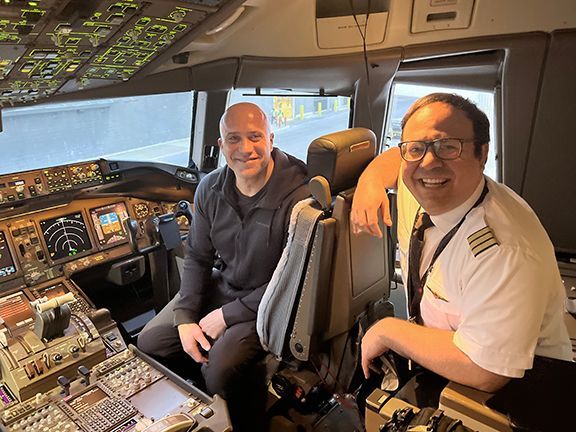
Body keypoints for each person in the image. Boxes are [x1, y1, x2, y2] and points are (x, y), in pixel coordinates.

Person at [351, 93, 571, 397]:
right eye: (416, 149)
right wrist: (371, 181)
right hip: (446, 355)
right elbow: (397, 156)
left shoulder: (504, 250)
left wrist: (389, 330)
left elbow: (485, 370)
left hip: (515, 389)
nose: (428, 162)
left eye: (447, 147)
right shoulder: (419, 180)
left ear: (482, 154)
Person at [137, 102, 309, 431]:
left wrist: (224, 317)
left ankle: (241, 416)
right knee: (151, 343)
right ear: (221, 145)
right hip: (226, 286)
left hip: (271, 304)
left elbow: (292, 281)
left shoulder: (299, 197)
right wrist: (186, 317)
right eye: (233, 139)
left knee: (218, 368)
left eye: (255, 137)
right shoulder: (210, 189)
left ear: (271, 139)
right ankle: (201, 409)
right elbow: (199, 258)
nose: (245, 148)